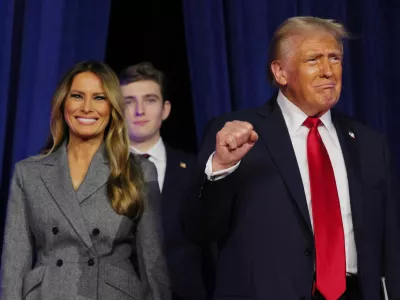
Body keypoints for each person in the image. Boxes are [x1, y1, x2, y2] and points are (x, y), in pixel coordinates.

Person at [182, 17, 400, 300]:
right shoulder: (237, 134)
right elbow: (198, 229)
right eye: (313, 60)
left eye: (334, 58)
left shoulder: (370, 142)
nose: (328, 71)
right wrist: (221, 167)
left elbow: (391, 243)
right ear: (281, 72)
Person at [0, 61, 171, 300]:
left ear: (112, 107)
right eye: (77, 96)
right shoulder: (28, 173)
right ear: (63, 103)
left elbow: (153, 263)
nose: (87, 108)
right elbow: (14, 263)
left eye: (99, 98)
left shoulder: (139, 171)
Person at [119, 62, 207, 300]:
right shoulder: (98, 171)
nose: (139, 110)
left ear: (165, 109)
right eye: (128, 102)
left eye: (150, 100)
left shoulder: (198, 170)